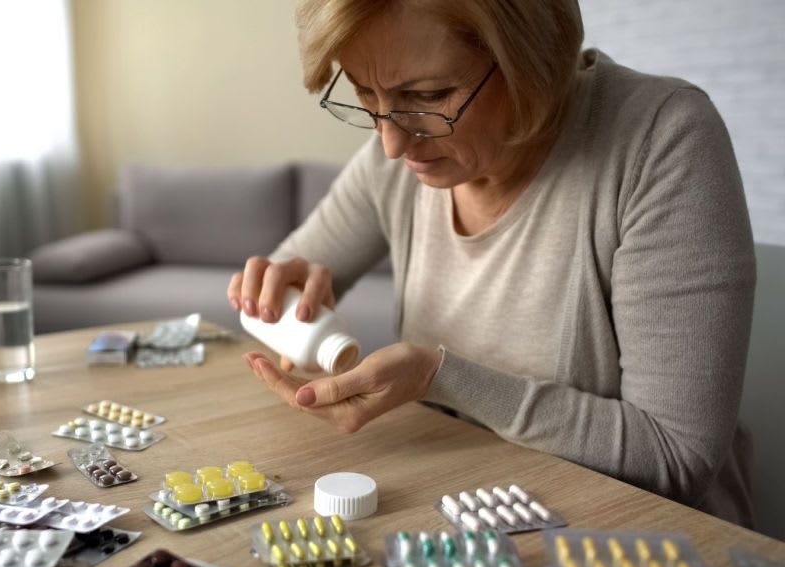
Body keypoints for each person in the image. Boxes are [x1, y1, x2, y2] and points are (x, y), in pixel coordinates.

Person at [226, 0, 756, 525]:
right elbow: (277, 279)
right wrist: (285, 293)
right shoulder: (402, 156)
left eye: (428, 96)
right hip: (465, 511)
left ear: (534, 62)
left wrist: (441, 379)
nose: (390, 143)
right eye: (365, 92)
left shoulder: (661, 139)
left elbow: (676, 456)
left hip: (642, 548)